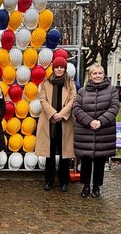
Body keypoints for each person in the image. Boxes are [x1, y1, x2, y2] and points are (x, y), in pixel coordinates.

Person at [73, 64, 119, 198]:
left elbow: (114, 107)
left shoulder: (111, 90)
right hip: (85, 131)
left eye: (100, 73)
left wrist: (100, 121)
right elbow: (77, 108)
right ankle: (86, 185)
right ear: (90, 75)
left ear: (103, 75)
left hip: (104, 130)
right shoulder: (82, 91)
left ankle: (97, 186)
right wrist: (89, 121)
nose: (97, 76)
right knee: (86, 161)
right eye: (95, 73)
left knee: (100, 160)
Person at [35, 55, 76, 192]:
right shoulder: (46, 83)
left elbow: (73, 100)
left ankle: (64, 181)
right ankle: (49, 181)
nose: (59, 69)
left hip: (64, 122)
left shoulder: (70, 83)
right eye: (57, 67)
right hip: (49, 122)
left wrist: (61, 114)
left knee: (65, 154)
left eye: (61, 67)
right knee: (50, 153)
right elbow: (43, 100)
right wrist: (53, 114)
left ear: (65, 68)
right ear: (53, 68)